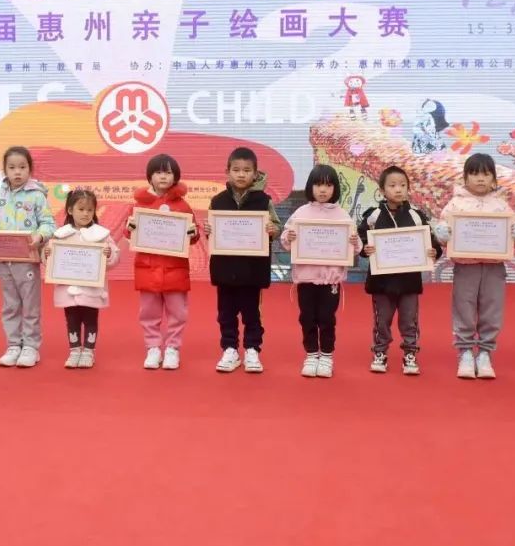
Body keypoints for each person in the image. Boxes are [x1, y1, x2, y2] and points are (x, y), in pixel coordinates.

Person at [435, 154, 515, 380]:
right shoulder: (455, 204)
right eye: (474, 174)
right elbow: (444, 231)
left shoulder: (501, 205)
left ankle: (485, 353)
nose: (480, 179)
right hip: (465, 267)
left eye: (486, 174)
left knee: (492, 309)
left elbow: (514, 238)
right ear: (465, 177)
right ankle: (465, 352)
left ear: (494, 178)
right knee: (463, 308)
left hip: (494, 268)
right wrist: (442, 233)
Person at [358, 165, 441, 376]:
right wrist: (364, 249)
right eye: (393, 185)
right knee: (382, 321)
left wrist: (434, 251)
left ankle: (410, 353)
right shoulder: (373, 216)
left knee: (409, 321)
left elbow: (431, 242)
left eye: (403, 185)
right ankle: (380, 352)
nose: (398, 189)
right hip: (381, 282)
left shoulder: (417, 216)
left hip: (409, 282)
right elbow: (359, 240)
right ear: (382, 190)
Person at [280, 164, 362, 379]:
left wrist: (354, 241)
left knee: (326, 318)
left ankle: (326, 355)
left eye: (328, 185)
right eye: (318, 185)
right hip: (305, 279)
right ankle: (311, 354)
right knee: (307, 317)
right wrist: (288, 237)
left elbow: (355, 248)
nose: (323, 190)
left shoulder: (342, 215)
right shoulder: (301, 213)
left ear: (335, 188)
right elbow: (286, 240)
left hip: (330, 281)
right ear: (310, 187)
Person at [203, 147, 280, 374]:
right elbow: (211, 231)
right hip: (225, 269)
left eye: (246, 170)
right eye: (236, 170)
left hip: (252, 270)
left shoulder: (264, 201)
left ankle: (252, 349)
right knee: (225, 313)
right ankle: (230, 349)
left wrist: (272, 229)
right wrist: (209, 230)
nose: (241, 174)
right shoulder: (217, 201)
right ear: (227, 172)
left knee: (252, 313)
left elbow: (276, 226)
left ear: (255, 174)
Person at [126, 153, 199, 370]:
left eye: (168, 172)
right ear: (150, 177)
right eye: (158, 172)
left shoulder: (183, 206)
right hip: (147, 268)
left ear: (175, 176)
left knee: (178, 312)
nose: (163, 177)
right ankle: (153, 347)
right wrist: (130, 229)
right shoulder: (139, 205)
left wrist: (193, 232)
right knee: (148, 312)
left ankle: (173, 348)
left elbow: (193, 236)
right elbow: (129, 233)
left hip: (175, 269)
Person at [0, 147, 54, 369]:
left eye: (22, 167)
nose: (17, 172)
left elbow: (48, 224)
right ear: (4, 170)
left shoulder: (37, 196)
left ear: (30, 169)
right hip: (4, 261)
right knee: (10, 305)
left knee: (30, 306)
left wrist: (39, 236)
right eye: (12, 167)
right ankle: (13, 345)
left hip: (28, 261)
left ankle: (31, 346)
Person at [44, 188, 119, 369]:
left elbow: (114, 257)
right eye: (81, 209)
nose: (86, 213)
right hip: (68, 289)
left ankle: (88, 352)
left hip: (91, 289)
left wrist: (109, 254)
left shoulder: (102, 235)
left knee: (90, 319)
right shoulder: (60, 234)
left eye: (90, 210)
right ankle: (75, 350)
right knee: (72, 320)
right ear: (70, 210)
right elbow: (51, 262)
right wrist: (47, 254)